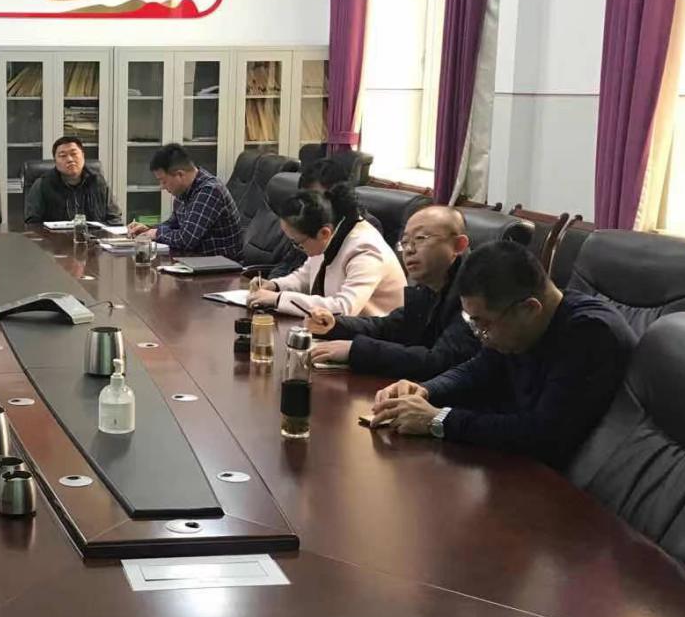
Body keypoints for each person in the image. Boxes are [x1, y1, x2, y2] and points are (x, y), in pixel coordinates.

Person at [370, 240, 636, 470]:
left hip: (560, 491)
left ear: (529, 309)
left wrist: (438, 420)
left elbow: (542, 434)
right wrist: (426, 391)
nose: (480, 335)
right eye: (472, 322)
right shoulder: (524, 323)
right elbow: (479, 368)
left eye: (483, 324)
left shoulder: (590, 334)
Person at [306, 205, 480, 378]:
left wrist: (355, 350)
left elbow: (440, 361)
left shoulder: (475, 294)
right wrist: (335, 325)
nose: (409, 250)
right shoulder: (429, 286)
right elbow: (389, 327)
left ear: (458, 245)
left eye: (420, 238)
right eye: (404, 242)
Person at [247, 185, 405, 318]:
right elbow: (306, 276)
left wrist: (278, 299)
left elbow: (343, 309)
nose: (297, 248)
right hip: (337, 330)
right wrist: (275, 286)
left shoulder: (365, 250)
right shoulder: (330, 232)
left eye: (297, 243)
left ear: (324, 233)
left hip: (373, 338)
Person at [128, 143, 243, 259]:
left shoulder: (209, 191)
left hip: (220, 266)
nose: (162, 187)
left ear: (180, 175)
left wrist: (156, 233)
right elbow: (173, 224)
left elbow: (186, 239)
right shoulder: (184, 191)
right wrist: (149, 229)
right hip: (195, 260)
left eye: (163, 181)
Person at [24, 135, 123, 226]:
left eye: (74, 154)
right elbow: (32, 224)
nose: (70, 159)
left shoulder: (98, 182)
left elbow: (114, 218)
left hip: (95, 238)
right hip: (55, 239)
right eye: (63, 156)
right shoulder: (42, 185)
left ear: (83, 156)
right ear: (55, 161)